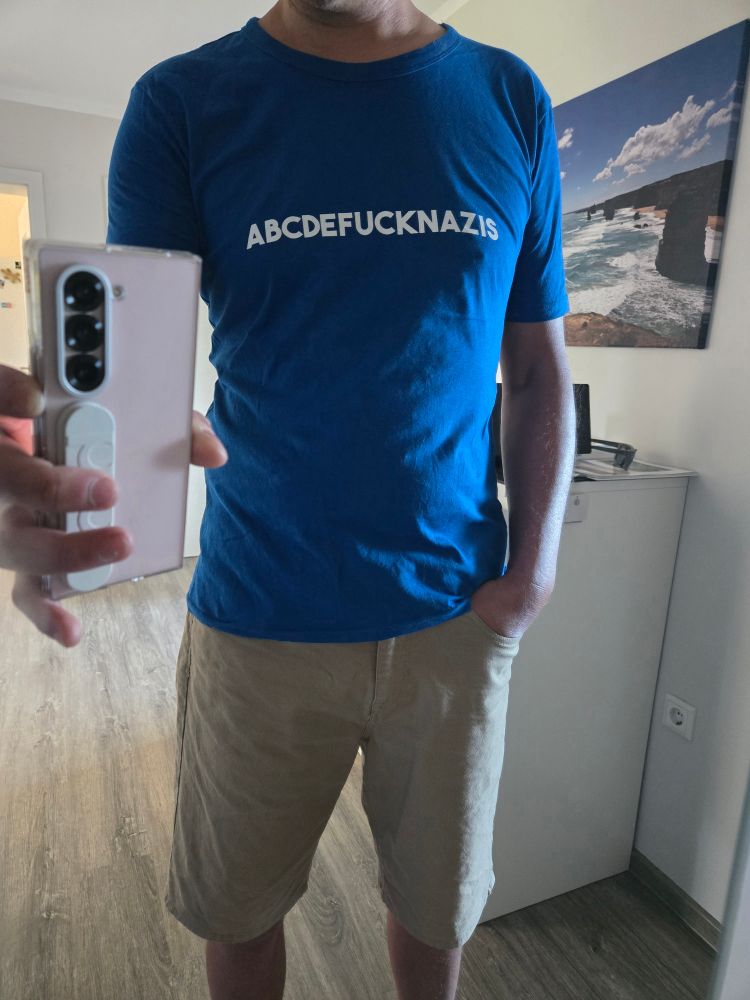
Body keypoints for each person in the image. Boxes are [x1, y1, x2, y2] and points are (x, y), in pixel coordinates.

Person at [0, 1, 576, 997]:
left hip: (456, 618)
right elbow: (129, 368)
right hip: (259, 613)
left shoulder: (508, 96)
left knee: (436, 911)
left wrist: (533, 578)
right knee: (237, 913)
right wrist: (66, 466)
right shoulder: (182, 103)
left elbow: (537, 369)